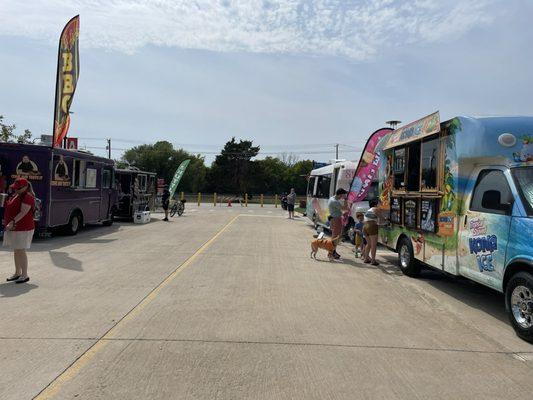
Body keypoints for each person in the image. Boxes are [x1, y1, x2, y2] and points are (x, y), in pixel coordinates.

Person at [2, 178, 35, 284]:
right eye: (14, 188)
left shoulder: (28, 197)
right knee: (16, 250)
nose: (15, 190)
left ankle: (24, 275)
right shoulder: (16, 195)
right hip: (15, 227)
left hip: (23, 227)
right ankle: (17, 273)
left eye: (18, 188)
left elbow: (23, 212)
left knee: (21, 250)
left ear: (25, 187)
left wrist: (12, 222)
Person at [328, 188, 348, 259]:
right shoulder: (335, 202)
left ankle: (333, 251)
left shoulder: (332, 198)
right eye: (343, 195)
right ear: (340, 194)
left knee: (335, 236)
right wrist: (346, 199)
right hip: (336, 219)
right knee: (335, 237)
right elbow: (345, 208)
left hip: (334, 218)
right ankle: (332, 252)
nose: (344, 196)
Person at [362, 199, 383, 266]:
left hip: (365, 227)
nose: (381, 204)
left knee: (369, 244)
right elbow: (381, 219)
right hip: (372, 226)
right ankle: (373, 260)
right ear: (375, 204)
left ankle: (366, 258)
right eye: (380, 203)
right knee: (374, 245)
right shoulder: (376, 209)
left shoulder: (368, 210)